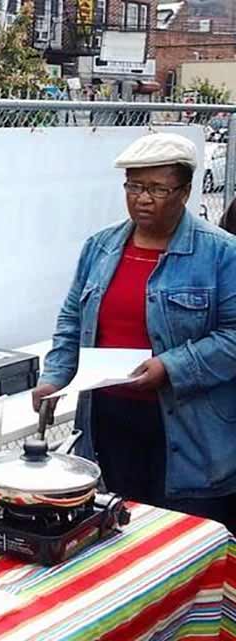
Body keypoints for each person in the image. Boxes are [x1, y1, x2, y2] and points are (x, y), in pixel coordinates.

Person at [33, 133, 236, 533]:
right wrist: (54, 377)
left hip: (189, 430)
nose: (143, 199)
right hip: (111, 421)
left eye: (158, 188)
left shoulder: (221, 253)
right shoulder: (101, 247)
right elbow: (72, 320)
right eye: (134, 186)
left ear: (185, 191)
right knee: (122, 533)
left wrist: (171, 365)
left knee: (186, 542)